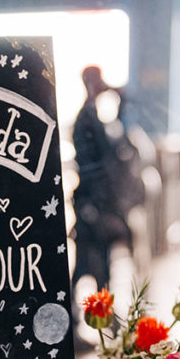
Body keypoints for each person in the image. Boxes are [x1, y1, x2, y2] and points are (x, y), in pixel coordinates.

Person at [70, 65, 140, 292]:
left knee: (92, 261)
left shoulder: (92, 116)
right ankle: (96, 308)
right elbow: (92, 164)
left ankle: (95, 307)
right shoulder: (86, 119)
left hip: (97, 201)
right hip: (94, 203)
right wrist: (95, 203)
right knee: (92, 262)